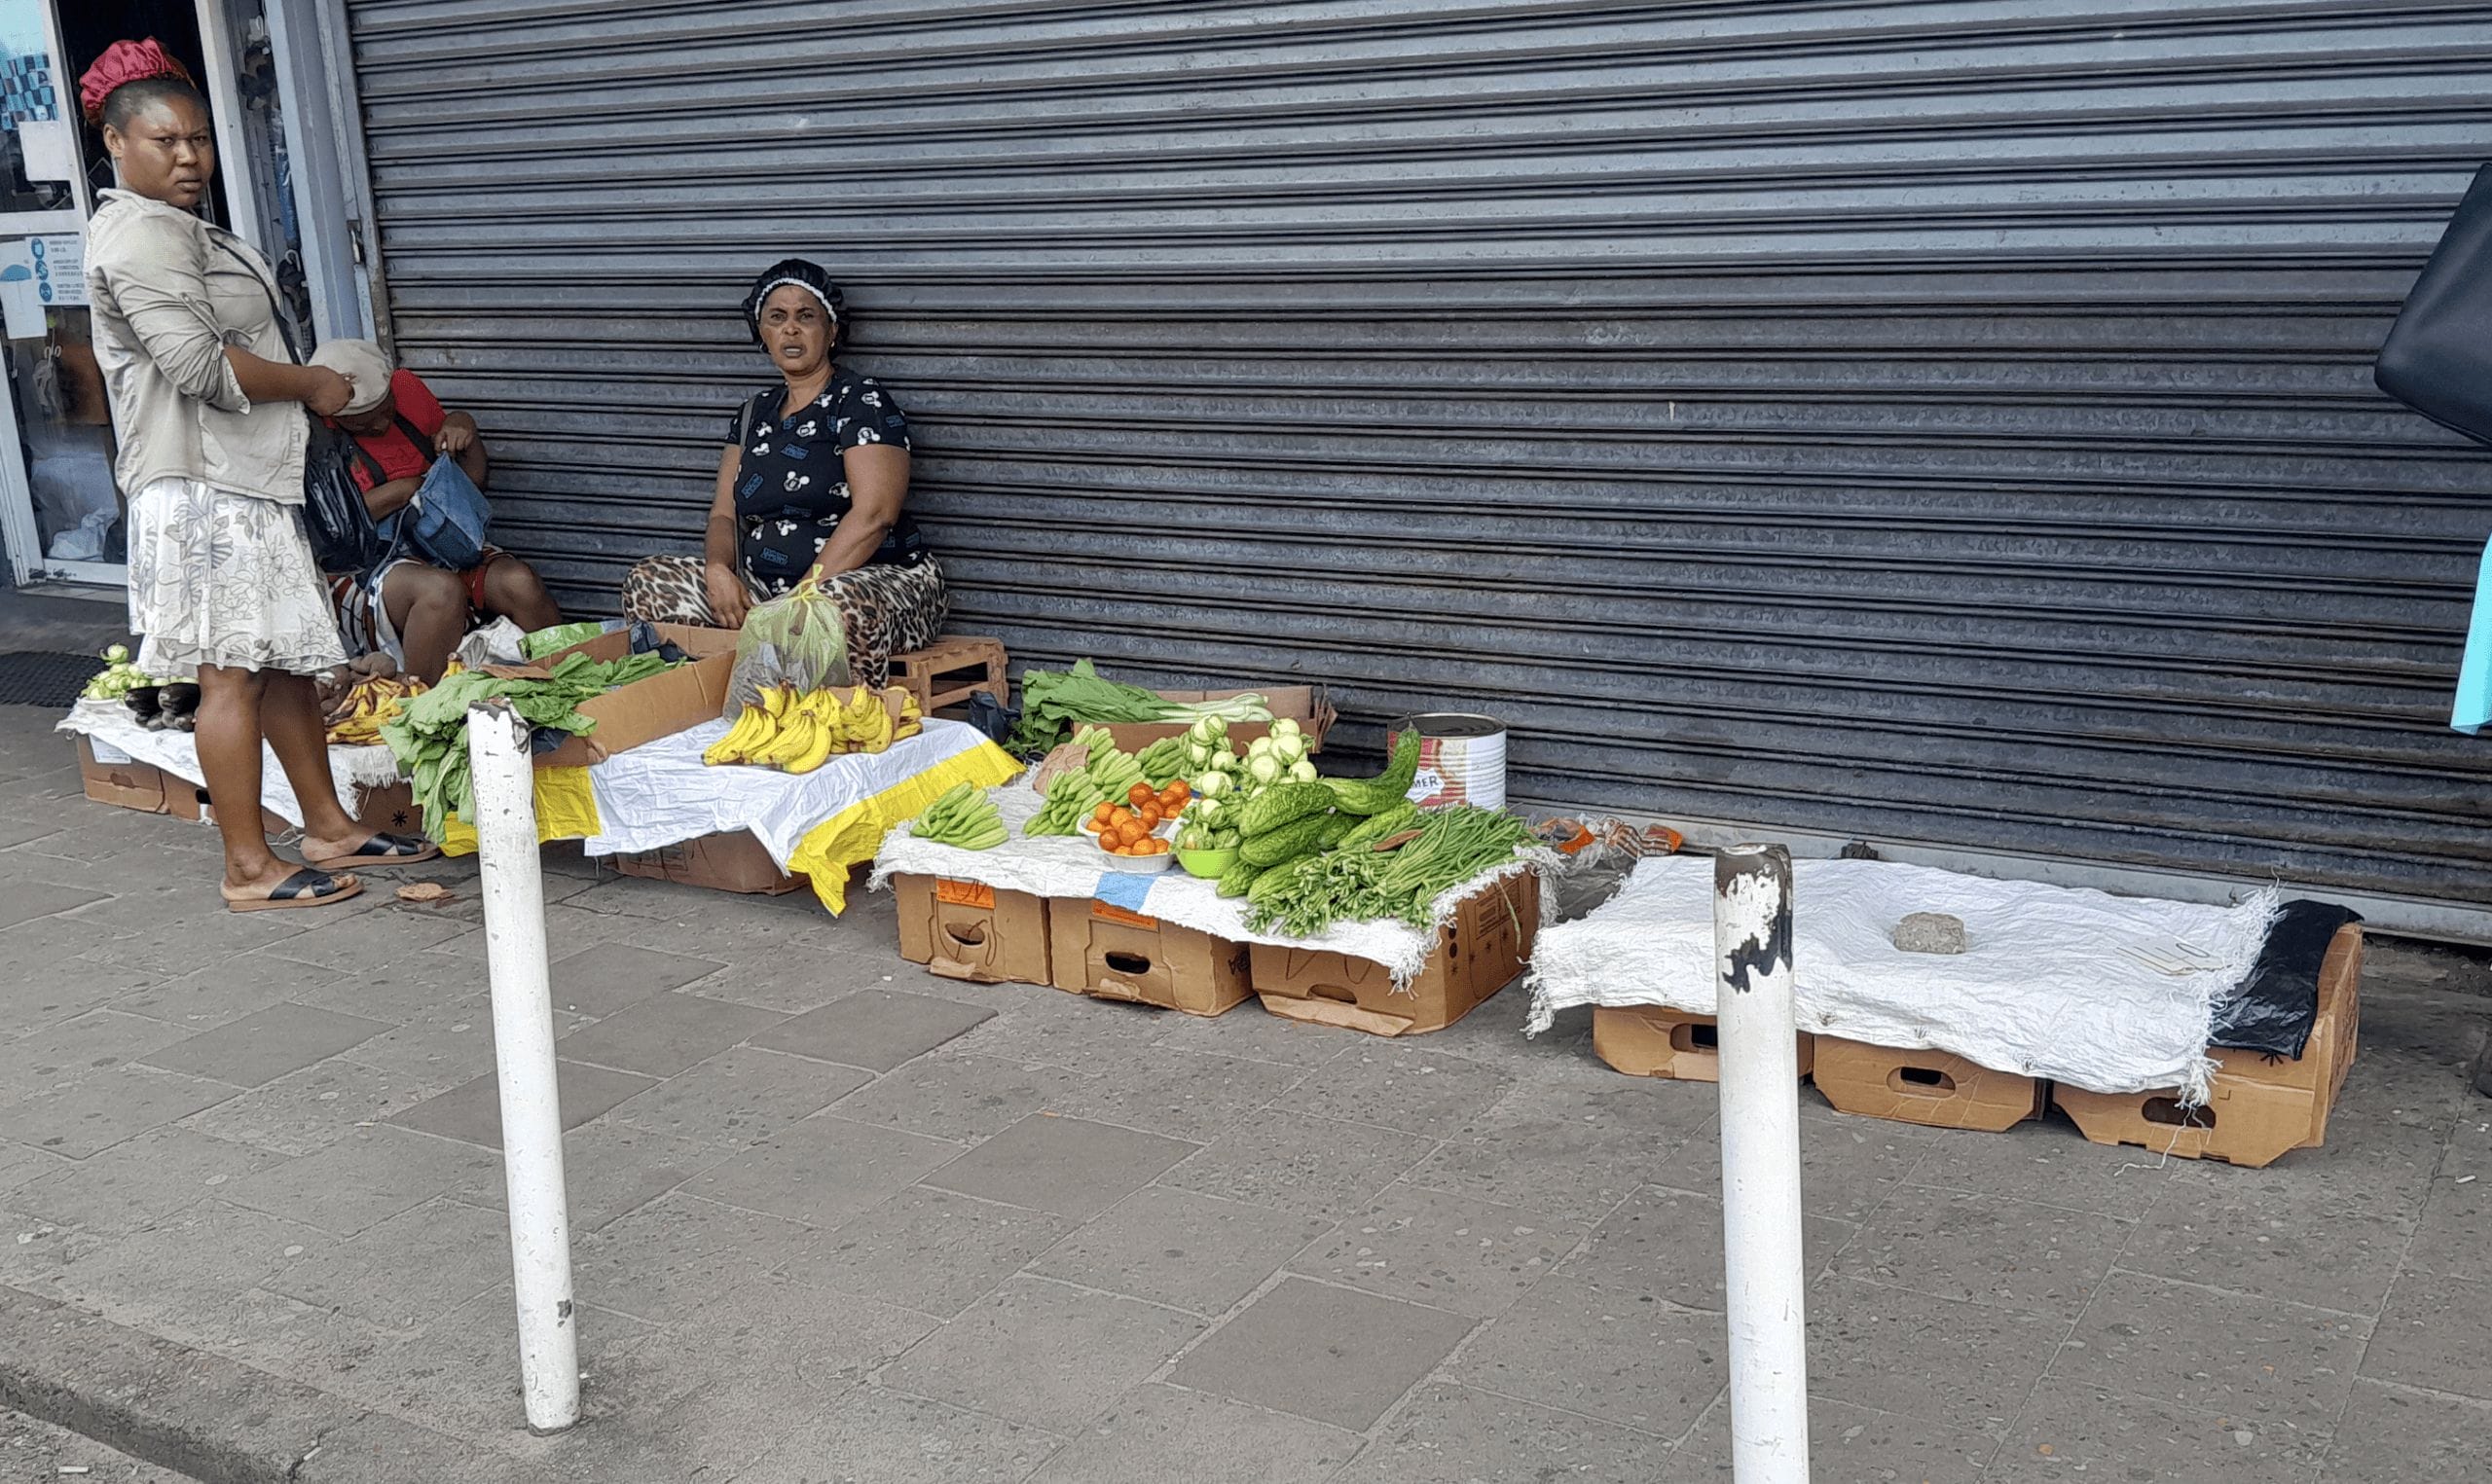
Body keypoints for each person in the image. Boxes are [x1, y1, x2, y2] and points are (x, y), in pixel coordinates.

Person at [81, 38, 435, 911]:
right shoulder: (138, 236)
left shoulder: (179, 227)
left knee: (282, 665)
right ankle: (247, 864)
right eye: (166, 141)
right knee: (230, 676)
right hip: (201, 486)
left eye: (199, 138)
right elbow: (199, 365)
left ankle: (328, 825)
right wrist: (312, 385)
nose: (190, 157)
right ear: (116, 144)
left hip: (245, 478)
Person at [620, 258, 945, 687]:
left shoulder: (860, 400)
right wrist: (718, 569)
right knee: (649, 582)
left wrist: (803, 595)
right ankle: (709, 704)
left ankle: (837, 714)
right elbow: (724, 514)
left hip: (874, 583)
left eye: (805, 316)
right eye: (777, 317)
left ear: (831, 331)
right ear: (762, 333)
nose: (791, 329)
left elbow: (875, 514)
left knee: (830, 609)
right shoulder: (753, 414)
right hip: (769, 590)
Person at [307, 339, 560, 682]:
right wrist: (403, 490)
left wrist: (464, 428)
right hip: (363, 566)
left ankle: (568, 683)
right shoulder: (314, 434)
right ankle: (423, 704)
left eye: (386, 411)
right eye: (361, 425)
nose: (379, 425)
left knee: (520, 582)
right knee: (440, 592)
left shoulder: (407, 388)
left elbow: (473, 482)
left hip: (442, 543)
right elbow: (330, 527)